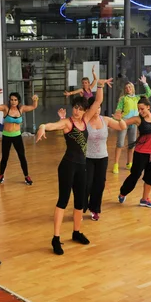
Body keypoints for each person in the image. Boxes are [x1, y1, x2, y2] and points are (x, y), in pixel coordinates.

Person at [36, 78, 113, 255]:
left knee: (80, 202)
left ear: (85, 110)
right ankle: (55, 238)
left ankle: (76, 232)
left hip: (82, 166)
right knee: (63, 201)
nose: (77, 111)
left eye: (80, 108)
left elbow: (98, 101)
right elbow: (52, 125)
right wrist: (42, 126)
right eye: (75, 108)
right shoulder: (68, 123)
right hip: (67, 166)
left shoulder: (85, 120)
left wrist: (99, 84)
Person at [58, 97, 127, 221]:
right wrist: (62, 120)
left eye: (99, 107)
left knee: (99, 185)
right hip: (87, 158)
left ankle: (94, 209)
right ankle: (81, 209)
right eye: (95, 107)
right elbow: (71, 130)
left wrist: (119, 118)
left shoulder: (105, 120)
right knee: (86, 184)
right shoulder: (84, 122)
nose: (97, 110)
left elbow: (122, 127)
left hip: (102, 157)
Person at [0, 89, 39, 185]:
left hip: (17, 136)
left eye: (15, 100)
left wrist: (35, 99)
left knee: (22, 156)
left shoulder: (21, 109)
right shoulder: (5, 108)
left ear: (18, 101)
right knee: (5, 157)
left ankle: (26, 176)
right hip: (6, 136)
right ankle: (1, 175)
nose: (13, 102)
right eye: (12, 100)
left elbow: (34, 106)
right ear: (9, 100)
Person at [112, 76, 151, 174]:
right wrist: (117, 116)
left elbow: (149, 93)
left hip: (134, 123)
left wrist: (145, 83)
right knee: (120, 143)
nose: (128, 89)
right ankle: (116, 164)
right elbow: (118, 109)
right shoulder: (123, 99)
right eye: (126, 88)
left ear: (132, 88)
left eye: (129, 87)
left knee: (132, 144)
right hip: (124, 122)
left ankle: (129, 163)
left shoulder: (138, 97)